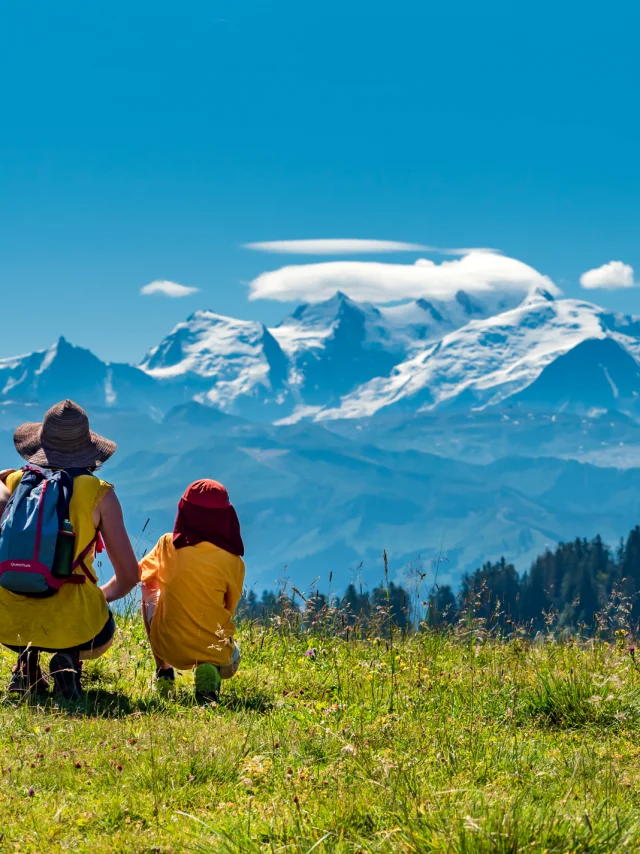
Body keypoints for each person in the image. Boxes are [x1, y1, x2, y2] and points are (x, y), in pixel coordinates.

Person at [0, 400, 140, 700]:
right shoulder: (98, 492)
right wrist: (99, 597)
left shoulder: (14, 482)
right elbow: (129, 576)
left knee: (25, 617)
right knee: (96, 626)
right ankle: (67, 661)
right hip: (78, 625)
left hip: (8, 623)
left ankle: (26, 662)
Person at [140, 479, 245, 702]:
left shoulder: (167, 544)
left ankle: (164, 671)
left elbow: (140, 576)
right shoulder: (233, 562)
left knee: (150, 587)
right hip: (214, 648)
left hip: (168, 646)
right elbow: (228, 608)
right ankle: (211, 669)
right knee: (232, 653)